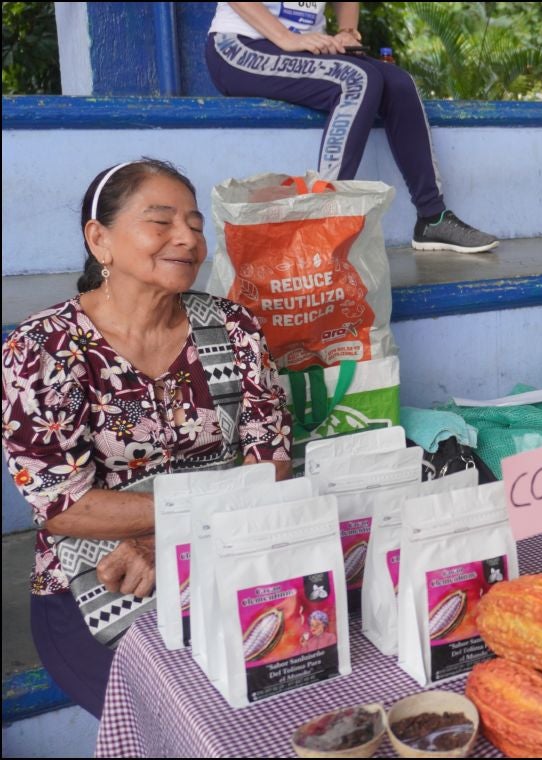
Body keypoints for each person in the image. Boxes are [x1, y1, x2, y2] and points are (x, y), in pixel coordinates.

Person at [1, 159, 293, 718]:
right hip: (96, 578)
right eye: (161, 221)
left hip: (226, 550)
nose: (187, 238)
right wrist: (187, 525)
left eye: (196, 223)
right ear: (100, 240)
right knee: (181, 714)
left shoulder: (232, 329)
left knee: (282, 673)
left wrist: (181, 541)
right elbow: (65, 507)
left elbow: (271, 464)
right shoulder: (43, 349)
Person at [204, 2, 499, 253]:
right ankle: (318, 220)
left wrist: (346, 32)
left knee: (398, 83)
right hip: (238, 45)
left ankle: (432, 218)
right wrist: (286, 37)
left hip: (305, 49)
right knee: (357, 80)